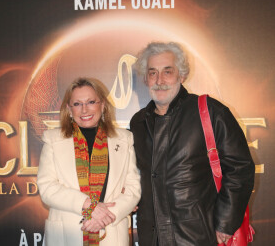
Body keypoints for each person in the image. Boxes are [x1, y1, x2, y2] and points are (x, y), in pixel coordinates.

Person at [130, 42, 255, 246]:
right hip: (151, 238)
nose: (159, 80)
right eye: (152, 73)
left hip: (197, 236)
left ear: (182, 75)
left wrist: (224, 224)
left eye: (167, 72)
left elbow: (240, 169)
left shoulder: (210, 111)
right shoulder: (138, 122)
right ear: (145, 78)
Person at [37, 77, 141, 246]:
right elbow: (47, 188)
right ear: (69, 109)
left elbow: (133, 189)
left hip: (111, 233)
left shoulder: (124, 139)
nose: (84, 110)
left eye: (91, 102)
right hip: (66, 234)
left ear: (103, 105)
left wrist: (105, 217)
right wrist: (88, 205)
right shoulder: (53, 140)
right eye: (77, 104)